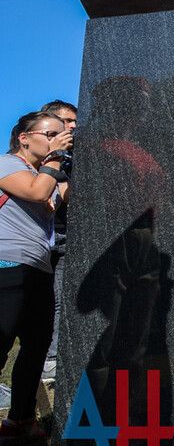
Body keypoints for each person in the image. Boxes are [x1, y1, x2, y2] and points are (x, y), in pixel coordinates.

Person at [0, 111, 72, 439]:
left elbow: (58, 200)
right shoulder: (7, 164)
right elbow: (36, 192)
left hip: (39, 271)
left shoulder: (48, 173)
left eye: (64, 134)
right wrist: (56, 157)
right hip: (7, 268)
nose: (59, 139)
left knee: (35, 350)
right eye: (51, 133)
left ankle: (20, 419)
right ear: (24, 138)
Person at [38, 100, 77, 382]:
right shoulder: (32, 154)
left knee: (59, 300)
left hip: (64, 237)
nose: (74, 126)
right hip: (34, 239)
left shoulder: (74, 157)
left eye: (76, 120)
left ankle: (51, 358)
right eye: (68, 120)